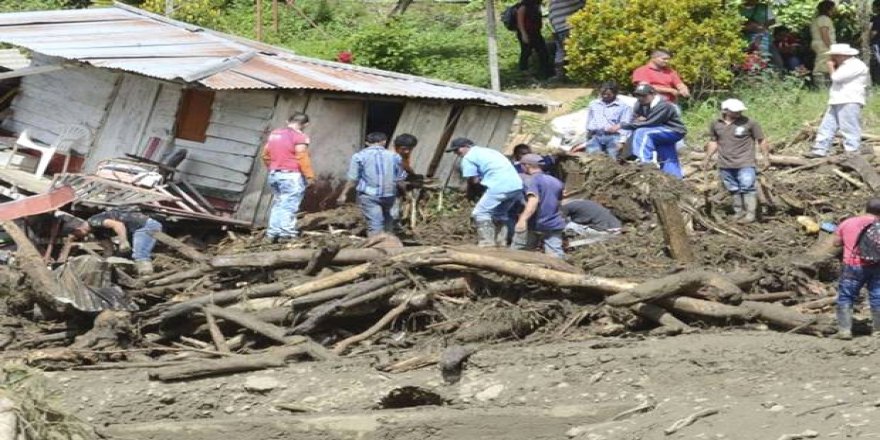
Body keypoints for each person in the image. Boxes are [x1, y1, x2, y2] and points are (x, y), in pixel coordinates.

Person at [702, 99, 770, 224]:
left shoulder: (750, 123)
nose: (738, 113)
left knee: (748, 187)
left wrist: (766, 158)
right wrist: (707, 158)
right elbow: (713, 142)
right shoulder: (716, 124)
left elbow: (761, 140)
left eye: (740, 110)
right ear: (725, 111)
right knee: (733, 188)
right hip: (725, 163)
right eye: (735, 111)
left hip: (745, 162)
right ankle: (739, 212)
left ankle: (750, 214)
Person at [446, 137, 523, 247]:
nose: (456, 153)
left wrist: (471, 194)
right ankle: (501, 242)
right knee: (499, 214)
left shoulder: (468, 158)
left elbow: (473, 180)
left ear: (467, 146)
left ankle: (487, 243)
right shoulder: (489, 151)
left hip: (499, 185)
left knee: (480, 213)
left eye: (457, 150)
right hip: (516, 186)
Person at [610, 84, 687, 178]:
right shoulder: (639, 104)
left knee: (642, 132)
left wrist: (622, 125)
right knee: (668, 157)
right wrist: (638, 120)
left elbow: (651, 123)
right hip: (658, 132)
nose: (641, 98)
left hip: (673, 131)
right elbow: (635, 119)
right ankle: (676, 179)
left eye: (644, 95)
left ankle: (646, 164)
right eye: (638, 95)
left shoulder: (664, 105)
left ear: (653, 94)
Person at [806, 44, 869, 158]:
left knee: (849, 127)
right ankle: (820, 149)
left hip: (849, 99)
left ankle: (852, 151)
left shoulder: (855, 65)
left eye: (834, 56)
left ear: (841, 55)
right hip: (838, 99)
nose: (832, 58)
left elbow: (836, 78)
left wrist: (830, 67)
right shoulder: (845, 65)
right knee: (827, 126)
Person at [337, 132, 407, 237]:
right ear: (384, 142)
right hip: (389, 194)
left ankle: (376, 247)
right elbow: (400, 178)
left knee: (375, 223)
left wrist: (344, 194)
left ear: (367, 143)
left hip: (370, 195)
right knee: (388, 220)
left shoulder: (359, 156)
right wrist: (405, 193)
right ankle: (390, 246)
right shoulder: (394, 156)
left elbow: (353, 178)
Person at [260, 112, 315, 243]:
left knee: (278, 203)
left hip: (275, 174)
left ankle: (272, 233)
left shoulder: (275, 134)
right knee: (289, 205)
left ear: (287, 121)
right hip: (291, 175)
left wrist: (273, 167)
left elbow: (265, 155)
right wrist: (309, 176)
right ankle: (286, 234)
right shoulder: (300, 137)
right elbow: (302, 157)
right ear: (306, 125)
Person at [60, 209, 162, 276]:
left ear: (78, 229)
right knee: (121, 255)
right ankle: (137, 274)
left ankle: (147, 277)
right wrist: (104, 262)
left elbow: (118, 225)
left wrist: (123, 241)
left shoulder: (94, 221)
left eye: (77, 236)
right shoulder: (97, 232)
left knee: (140, 254)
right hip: (134, 231)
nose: (80, 238)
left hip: (145, 226)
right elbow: (108, 249)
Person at [832, 198, 880, 340]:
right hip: (876, 265)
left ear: (866, 208)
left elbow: (836, 243)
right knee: (877, 296)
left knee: (846, 295)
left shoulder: (848, 222)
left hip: (852, 265)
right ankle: (878, 331)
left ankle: (845, 331)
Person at [512, 154, 565, 258]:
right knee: (555, 254)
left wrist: (523, 219)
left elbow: (533, 200)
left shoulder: (532, 180)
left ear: (527, 165)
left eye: (522, 165)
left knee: (520, 252)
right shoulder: (555, 181)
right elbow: (559, 200)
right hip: (553, 222)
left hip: (535, 223)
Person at [572, 81, 632, 159]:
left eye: (608, 94)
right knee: (593, 159)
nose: (605, 96)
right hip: (595, 136)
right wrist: (588, 135)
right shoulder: (593, 104)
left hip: (614, 137)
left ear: (615, 93)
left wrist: (622, 141)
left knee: (612, 160)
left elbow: (625, 124)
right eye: (603, 94)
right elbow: (589, 119)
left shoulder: (623, 107)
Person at [515, 0, 553, 79]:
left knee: (543, 51)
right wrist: (523, 34)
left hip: (536, 33)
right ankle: (523, 70)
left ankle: (545, 72)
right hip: (526, 33)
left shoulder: (536, 6)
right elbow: (520, 22)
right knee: (526, 51)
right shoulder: (523, 7)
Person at [547, 0, 585, 79]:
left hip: (558, 30)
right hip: (569, 27)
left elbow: (551, 17)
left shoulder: (552, 2)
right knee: (577, 50)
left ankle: (559, 75)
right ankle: (579, 74)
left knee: (560, 51)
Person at [390, 133, 420, 232]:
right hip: (388, 188)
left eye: (410, 149)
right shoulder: (392, 157)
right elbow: (398, 180)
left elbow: (405, 165)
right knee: (392, 212)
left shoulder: (403, 154)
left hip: (395, 185)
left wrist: (412, 174)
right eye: (404, 149)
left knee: (395, 210)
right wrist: (406, 193)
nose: (407, 151)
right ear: (396, 147)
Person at [740, 0, 781, 67]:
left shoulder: (764, 7)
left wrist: (762, 26)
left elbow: (772, 20)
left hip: (765, 39)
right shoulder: (738, 9)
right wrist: (747, 27)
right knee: (748, 63)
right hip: (744, 41)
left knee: (777, 63)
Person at [810, 0, 837, 86]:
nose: (834, 10)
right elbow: (824, 34)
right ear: (828, 9)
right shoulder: (824, 19)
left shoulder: (819, 19)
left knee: (825, 65)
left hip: (820, 44)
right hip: (824, 44)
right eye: (833, 8)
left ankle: (825, 85)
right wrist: (830, 47)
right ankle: (820, 85)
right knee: (822, 66)